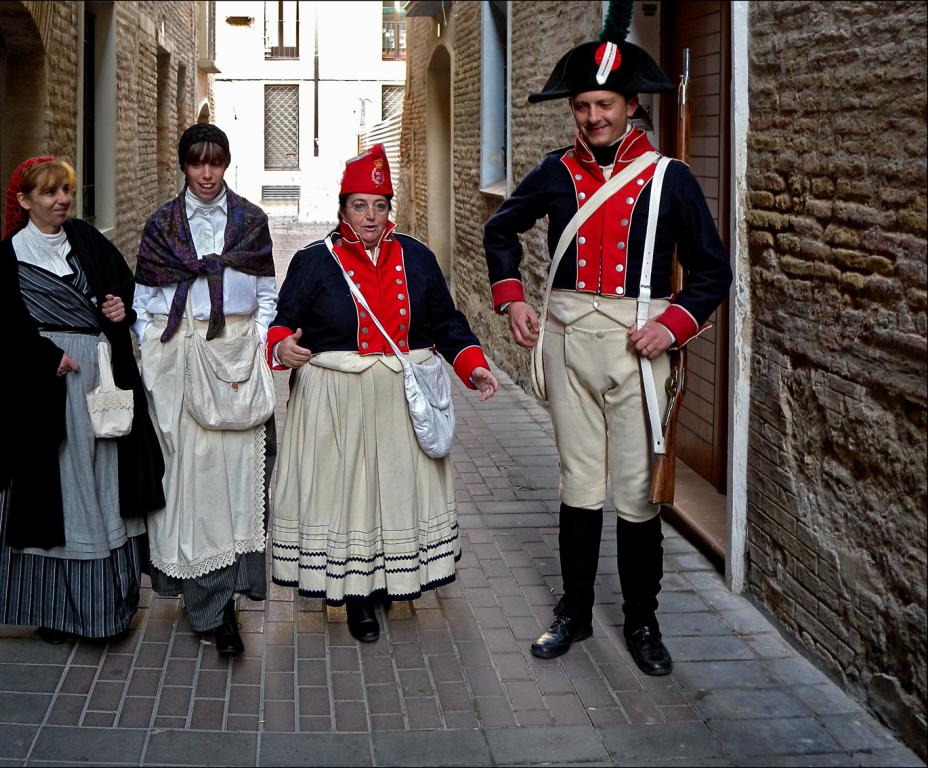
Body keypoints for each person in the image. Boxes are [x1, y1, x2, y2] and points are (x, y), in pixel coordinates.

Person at [482, 33, 732, 674]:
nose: (593, 117)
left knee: (636, 495)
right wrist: (512, 299)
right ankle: (574, 611)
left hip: (637, 350)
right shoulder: (555, 173)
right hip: (567, 346)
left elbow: (711, 272)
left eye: (605, 105)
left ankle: (643, 621)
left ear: (630, 106)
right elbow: (499, 229)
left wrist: (673, 326)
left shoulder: (668, 178)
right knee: (578, 487)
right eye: (583, 106)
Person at [269, 144, 499, 642]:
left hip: (398, 401)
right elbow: (283, 323)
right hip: (337, 403)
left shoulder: (416, 257)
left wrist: (474, 367)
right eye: (359, 205)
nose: (370, 216)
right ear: (342, 208)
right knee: (349, 498)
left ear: (389, 209)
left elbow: (446, 324)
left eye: (379, 205)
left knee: (392, 496)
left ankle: (397, 580)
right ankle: (357, 597)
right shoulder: (313, 262)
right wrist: (281, 349)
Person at [0, 156, 165, 643]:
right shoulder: (6, 260)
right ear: (24, 201)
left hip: (99, 385)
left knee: (101, 490)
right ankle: (55, 612)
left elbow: (123, 289)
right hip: (43, 396)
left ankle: (105, 610)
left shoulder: (86, 240)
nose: (62, 200)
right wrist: (44, 357)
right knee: (57, 495)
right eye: (49, 193)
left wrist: (120, 307)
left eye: (65, 190)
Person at [134, 123, 276, 655]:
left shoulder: (251, 223)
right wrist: (158, 351)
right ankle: (208, 607)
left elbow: (266, 293)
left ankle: (228, 603)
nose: (207, 174)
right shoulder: (162, 226)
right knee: (193, 486)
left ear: (227, 163)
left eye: (215, 162)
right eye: (197, 163)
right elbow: (145, 299)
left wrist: (254, 345)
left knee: (239, 481)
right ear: (184, 165)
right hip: (181, 358)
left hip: (235, 360)